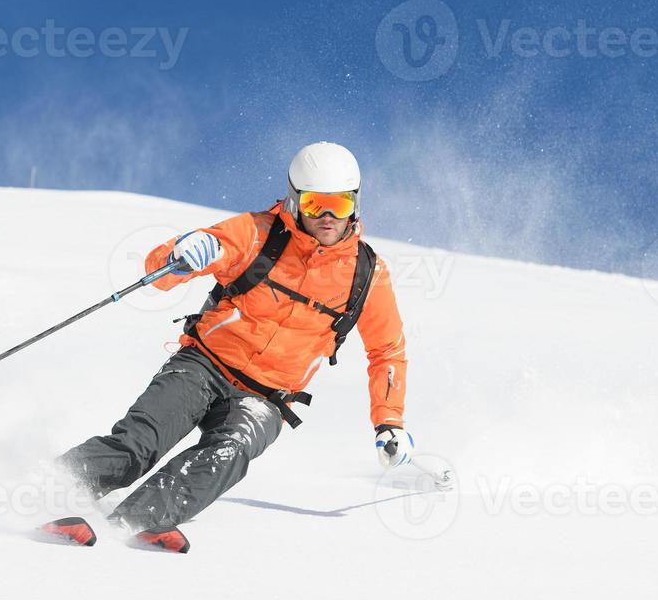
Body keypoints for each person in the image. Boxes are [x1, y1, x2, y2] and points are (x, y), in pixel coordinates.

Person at [47, 142, 418, 551]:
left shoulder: (367, 274)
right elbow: (162, 269)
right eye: (315, 204)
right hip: (204, 364)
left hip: (267, 396)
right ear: (295, 200)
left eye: (340, 205)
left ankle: (137, 522)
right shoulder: (257, 233)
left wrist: (389, 422)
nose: (327, 217)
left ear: (356, 204)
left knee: (230, 451)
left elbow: (387, 351)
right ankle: (47, 491)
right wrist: (182, 253)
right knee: (140, 444)